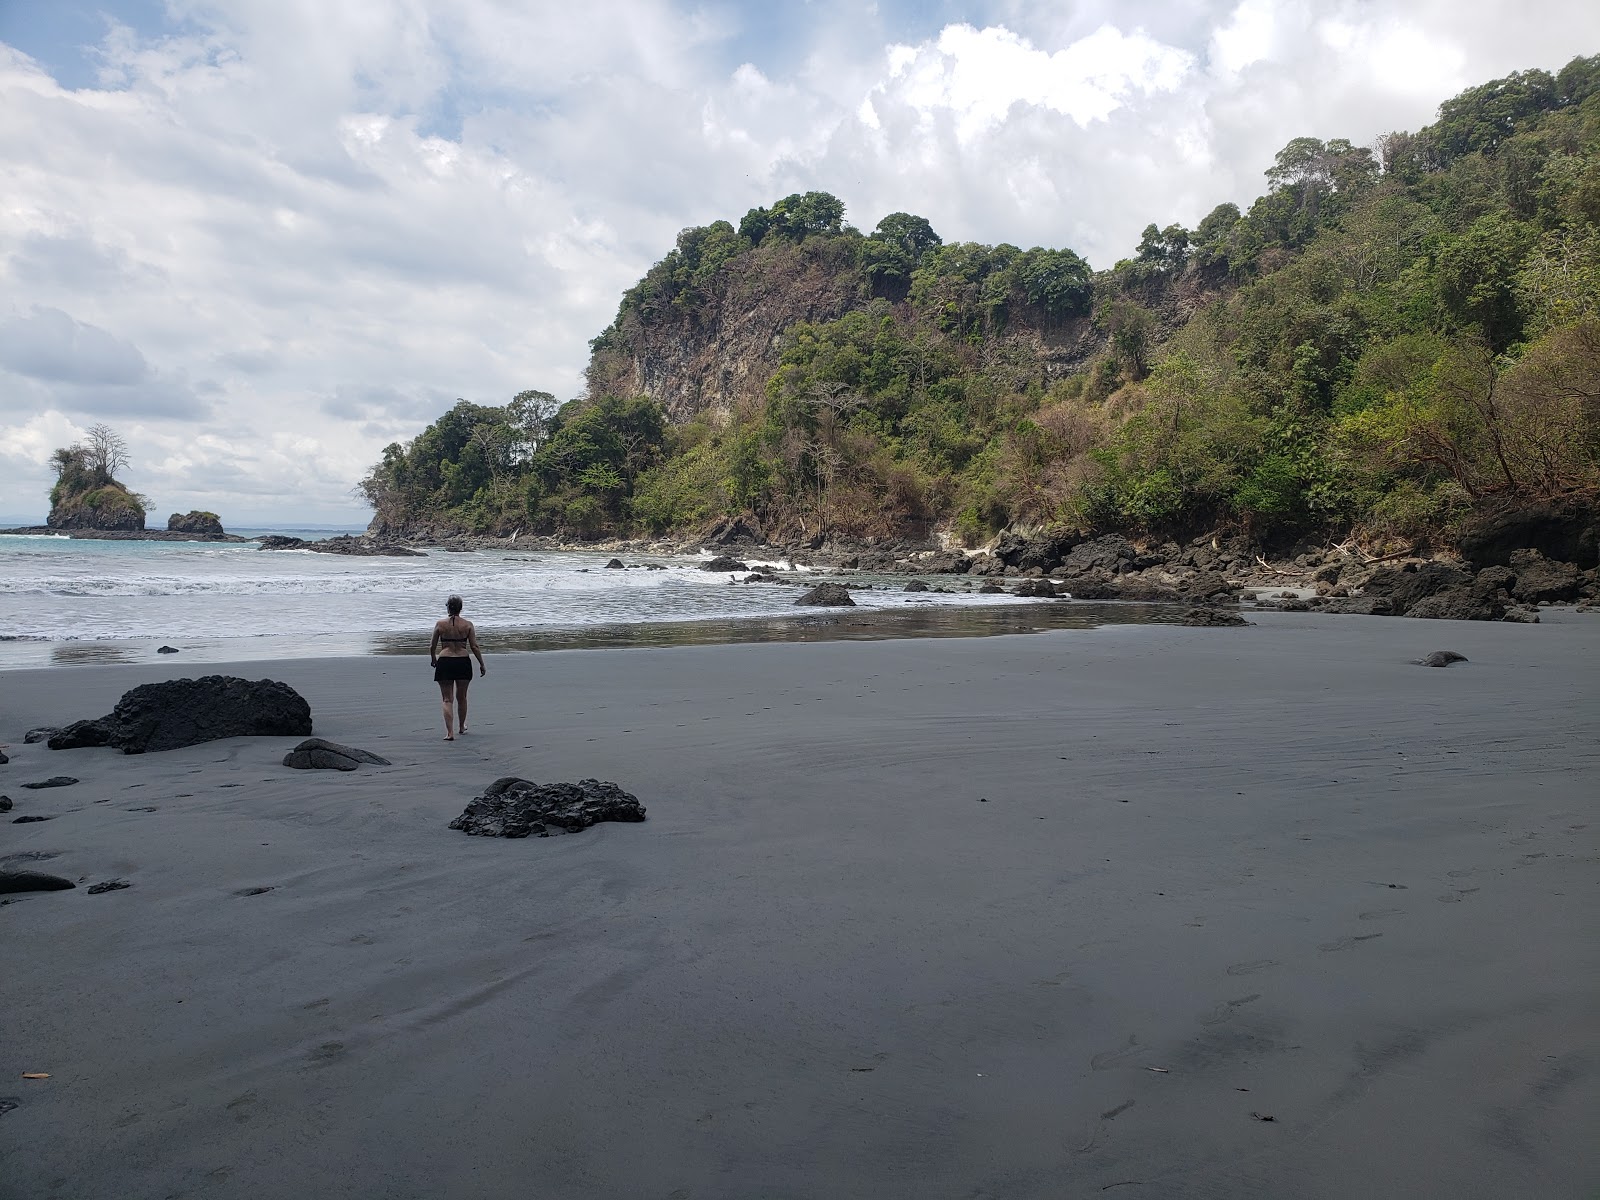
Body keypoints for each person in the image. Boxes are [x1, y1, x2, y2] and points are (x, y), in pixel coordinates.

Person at [430, 595, 486, 740]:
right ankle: (461, 726)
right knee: (462, 697)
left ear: (447, 607)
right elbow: (474, 646)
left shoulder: (440, 624)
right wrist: (481, 663)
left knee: (447, 699)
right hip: (462, 660)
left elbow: (432, 645)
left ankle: (449, 733)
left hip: (445, 660)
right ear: (461, 608)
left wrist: (433, 659)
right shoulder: (467, 625)